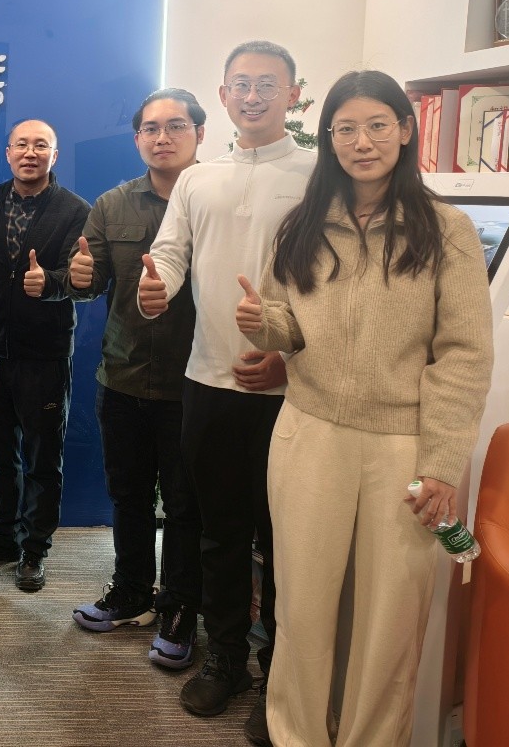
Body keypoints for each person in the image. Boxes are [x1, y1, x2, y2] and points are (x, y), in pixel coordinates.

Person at [234, 70, 492, 747]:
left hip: (403, 446)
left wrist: (441, 463)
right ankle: (295, 735)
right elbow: (288, 325)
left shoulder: (446, 230)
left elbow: (463, 355)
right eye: (345, 129)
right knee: (302, 608)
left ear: (404, 131)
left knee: (389, 622)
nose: (361, 142)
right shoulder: (302, 224)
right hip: (309, 433)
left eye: (377, 125)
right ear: (328, 138)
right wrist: (262, 322)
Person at [138, 41, 314, 741]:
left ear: (292, 94)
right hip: (207, 382)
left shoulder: (318, 174)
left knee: (285, 541)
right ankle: (226, 659)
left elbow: (338, 283)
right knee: (220, 533)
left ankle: (281, 675)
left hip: (292, 393)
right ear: (222, 95)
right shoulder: (197, 178)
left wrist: (291, 360)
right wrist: (155, 289)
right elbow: (170, 253)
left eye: (266, 84)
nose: (252, 96)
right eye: (240, 84)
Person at [67, 89, 206, 670]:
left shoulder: (216, 197)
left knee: (185, 504)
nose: (162, 137)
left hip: (195, 382)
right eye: (151, 128)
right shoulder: (113, 204)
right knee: (128, 496)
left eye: (176, 125)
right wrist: (78, 277)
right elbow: (90, 281)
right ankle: (131, 593)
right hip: (122, 375)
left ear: (200, 133)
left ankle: (179, 607)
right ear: (137, 139)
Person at [0, 119, 89, 592]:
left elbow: (82, 278)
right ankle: (1, 537)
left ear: (55, 155)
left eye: (41, 145)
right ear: (9, 154)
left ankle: (34, 549)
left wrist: (49, 282)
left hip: (45, 355)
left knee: (42, 460)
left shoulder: (75, 210)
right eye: (21, 145)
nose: (30, 153)